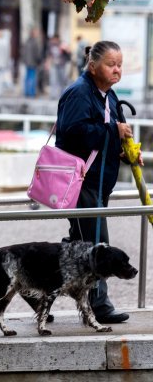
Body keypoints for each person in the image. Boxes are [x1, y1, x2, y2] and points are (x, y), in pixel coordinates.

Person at [55, 40, 138, 324]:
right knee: (98, 245)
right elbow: (72, 132)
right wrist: (112, 129)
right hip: (81, 183)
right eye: (110, 65)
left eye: (119, 65)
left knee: (78, 244)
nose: (116, 70)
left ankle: (40, 292)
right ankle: (99, 306)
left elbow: (105, 140)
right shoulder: (79, 93)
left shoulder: (109, 96)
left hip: (100, 184)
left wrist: (125, 154)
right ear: (93, 66)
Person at [21, 28, 43, 98]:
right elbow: (37, 54)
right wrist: (39, 61)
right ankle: (32, 93)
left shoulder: (26, 41)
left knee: (27, 78)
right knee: (32, 78)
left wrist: (24, 60)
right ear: (34, 34)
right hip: (33, 62)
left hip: (27, 62)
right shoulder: (35, 42)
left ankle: (26, 92)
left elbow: (23, 52)